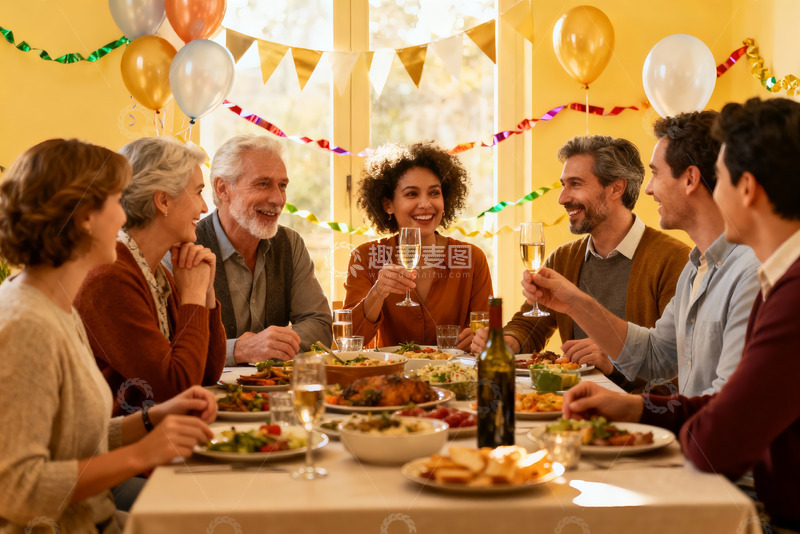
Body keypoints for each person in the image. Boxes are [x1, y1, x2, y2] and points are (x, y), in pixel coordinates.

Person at [552, 97, 800, 532]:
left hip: (752, 504)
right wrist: (633, 408)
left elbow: (722, 436)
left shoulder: (781, 285)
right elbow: (663, 361)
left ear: (746, 189)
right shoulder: (710, 267)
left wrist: (645, 415)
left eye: (719, 178)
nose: (645, 189)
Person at [0, 139, 217, 533]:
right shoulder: (26, 324)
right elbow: (15, 489)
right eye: (117, 201)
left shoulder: (57, 307)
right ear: (85, 217)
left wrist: (154, 419)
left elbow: (80, 438)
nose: (123, 218)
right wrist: (141, 455)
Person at [517, 112, 761, 396]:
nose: (647, 188)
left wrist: (632, 409)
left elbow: (729, 402)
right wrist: (574, 303)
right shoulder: (695, 269)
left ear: (691, 179)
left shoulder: (750, 273)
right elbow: (655, 356)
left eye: (656, 173)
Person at [472, 135, 689, 389]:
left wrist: (614, 365)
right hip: (570, 408)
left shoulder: (674, 260)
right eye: (564, 185)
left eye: (575, 184)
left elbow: (680, 371)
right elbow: (530, 324)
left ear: (616, 188)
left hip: (638, 419)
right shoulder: (564, 259)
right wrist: (508, 341)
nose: (562, 198)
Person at [76, 137, 226, 416]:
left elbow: (207, 374)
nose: (205, 208)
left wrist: (205, 296)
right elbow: (174, 392)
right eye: (198, 192)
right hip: (117, 447)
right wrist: (191, 297)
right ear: (163, 200)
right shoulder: (110, 278)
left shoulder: (157, 273)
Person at [194, 134, 332, 364]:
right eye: (263, 184)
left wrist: (272, 346)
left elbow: (319, 323)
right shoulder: (187, 246)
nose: (278, 199)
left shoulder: (290, 244)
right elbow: (171, 343)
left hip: (276, 392)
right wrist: (237, 350)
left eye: (282, 186)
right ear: (222, 189)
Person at [343, 141, 493, 349]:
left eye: (434, 193)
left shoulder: (472, 258)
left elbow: (486, 335)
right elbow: (348, 341)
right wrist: (377, 293)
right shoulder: (366, 257)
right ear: (388, 204)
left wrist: (483, 339)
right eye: (412, 194)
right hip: (389, 377)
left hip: (453, 377)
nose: (425, 204)